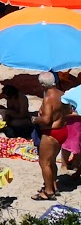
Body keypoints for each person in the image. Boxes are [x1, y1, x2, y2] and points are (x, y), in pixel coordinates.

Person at [34, 73, 72, 201]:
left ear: (42, 84)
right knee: (52, 161)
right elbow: (68, 111)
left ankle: (48, 191)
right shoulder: (62, 94)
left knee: (44, 162)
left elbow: (46, 120)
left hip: (51, 133)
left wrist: (34, 119)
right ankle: (54, 186)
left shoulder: (48, 98)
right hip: (62, 130)